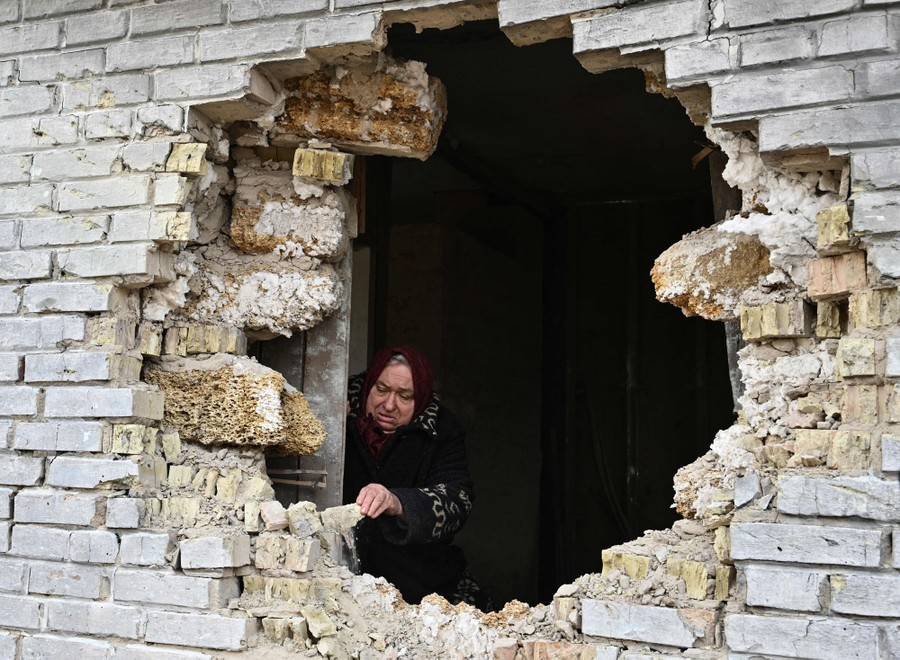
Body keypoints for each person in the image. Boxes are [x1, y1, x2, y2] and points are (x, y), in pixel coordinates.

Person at [343, 345, 490, 609]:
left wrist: (398, 503)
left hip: (419, 583)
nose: (389, 405)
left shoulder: (442, 429)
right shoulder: (336, 407)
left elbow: (458, 501)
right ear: (369, 384)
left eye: (405, 396)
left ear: (419, 398)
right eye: (382, 390)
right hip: (339, 580)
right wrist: (328, 425)